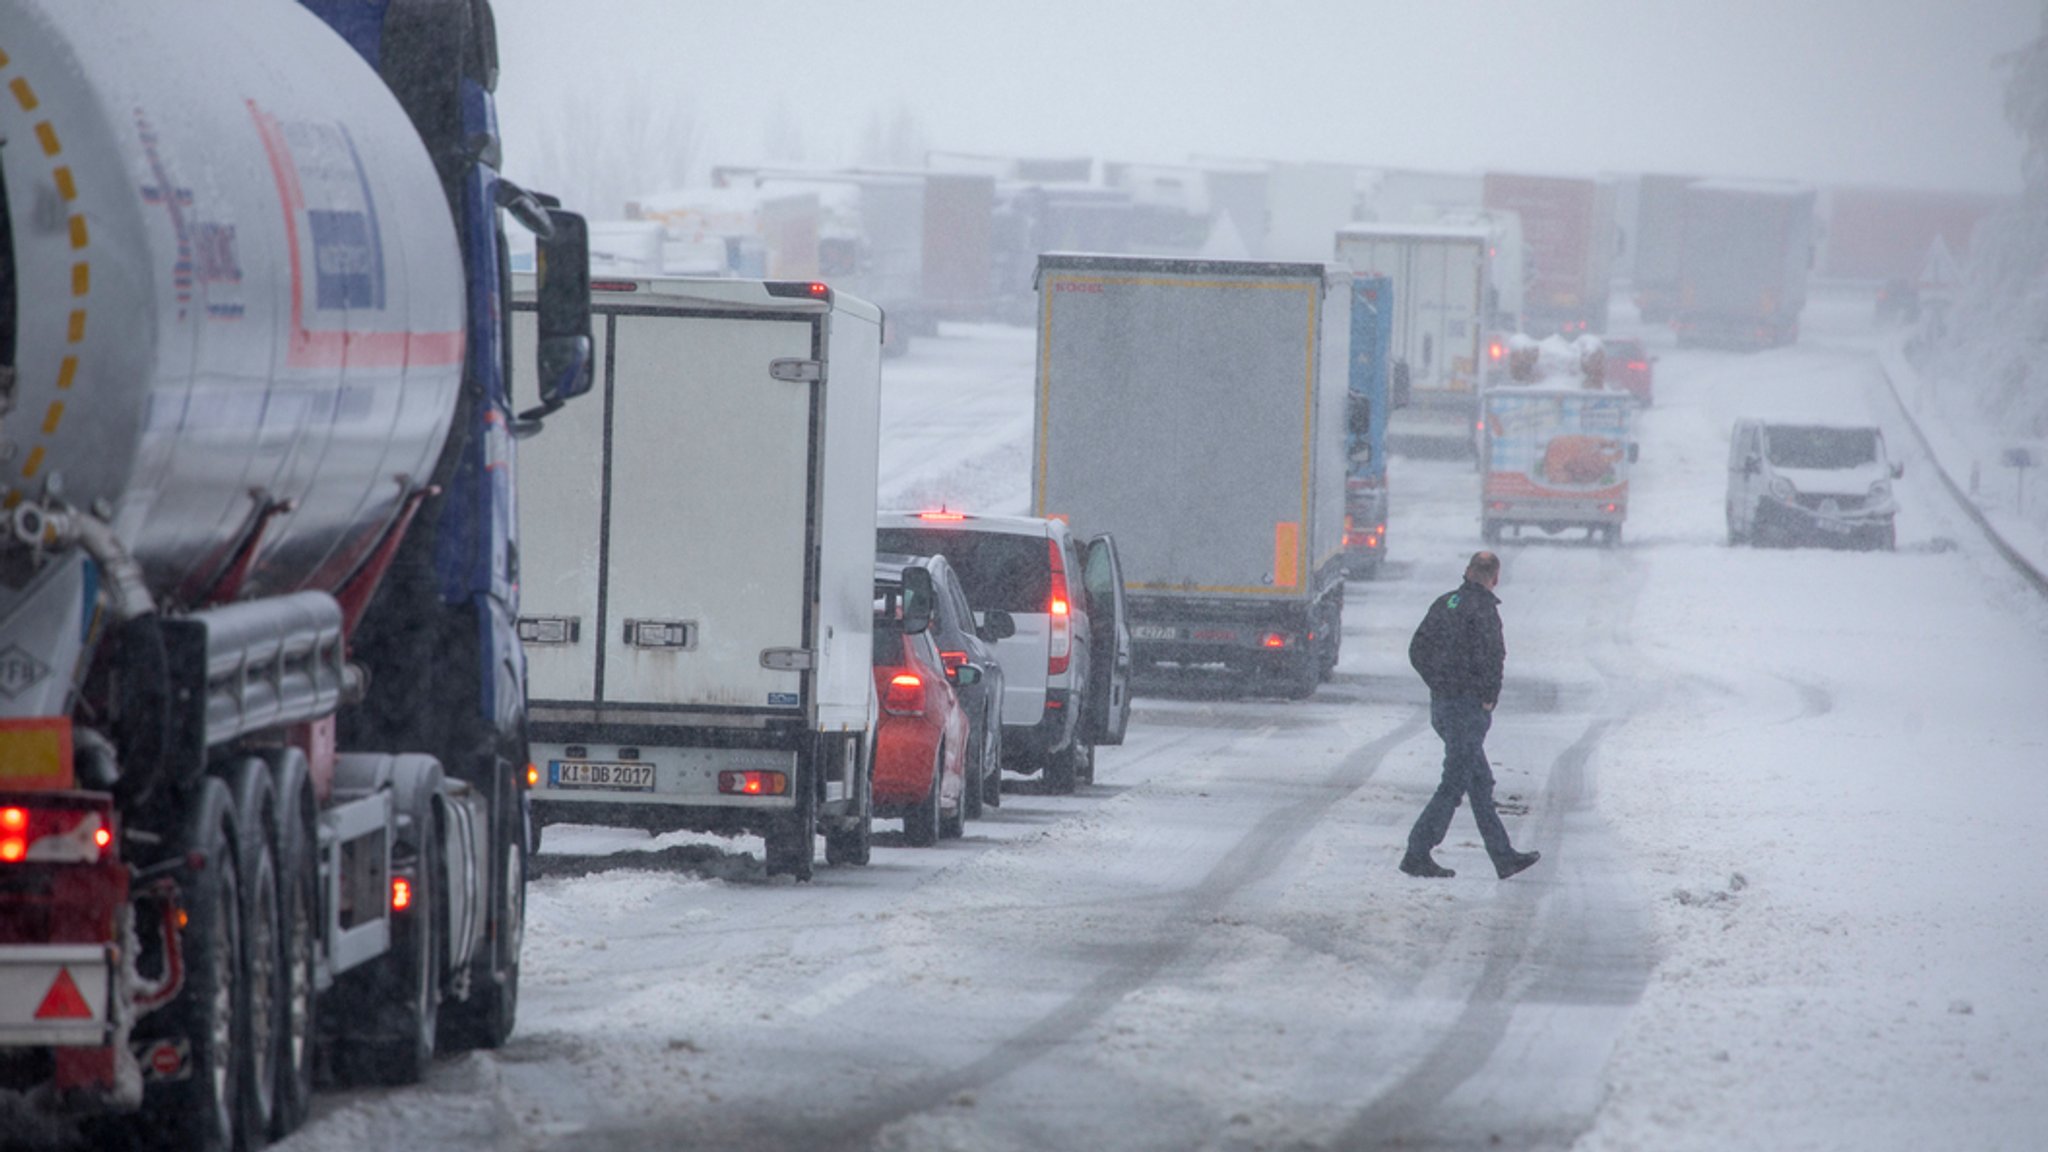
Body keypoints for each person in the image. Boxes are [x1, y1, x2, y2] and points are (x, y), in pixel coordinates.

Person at [1400, 551, 1541, 880]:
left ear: (1467, 572)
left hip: (1444, 706)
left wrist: (1439, 683)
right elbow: (1494, 659)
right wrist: (1487, 698)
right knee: (1453, 783)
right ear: (1495, 578)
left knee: (1479, 782)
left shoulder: (1445, 603)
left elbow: (1417, 649)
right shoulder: (1485, 612)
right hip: (1467, 710)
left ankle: (1503, 856)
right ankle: (1417, 852)